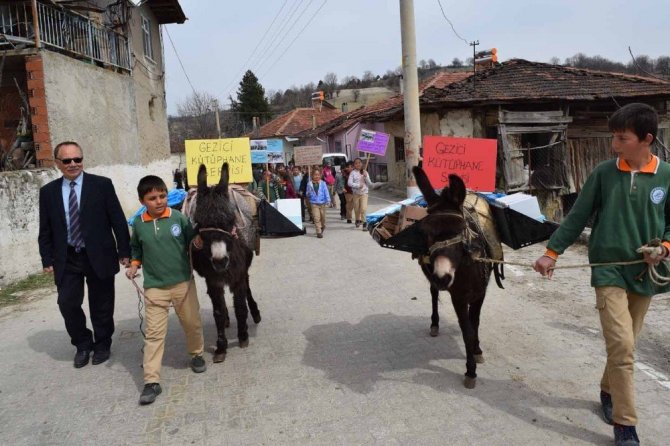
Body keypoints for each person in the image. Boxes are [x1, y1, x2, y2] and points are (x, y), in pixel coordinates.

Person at [533, 103, 668, 446]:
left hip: (645, 271)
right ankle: (625, 425)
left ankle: (608, 389)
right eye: (614, 137)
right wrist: (552, 252)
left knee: (628, 342)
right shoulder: (604, 173)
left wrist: (665, 248)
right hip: (607, 269)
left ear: (646, 139)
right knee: (622, 344)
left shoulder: (667, 176)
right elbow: (577, 216)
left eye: (622, 138)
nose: (614, 145)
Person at [38, 141, 130, 368]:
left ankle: (103, 343)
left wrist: (124, 250)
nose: (73, 164)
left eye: (77, 159)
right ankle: (82, 343)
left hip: (99, 254)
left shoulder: (102, 185)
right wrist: (46, 257)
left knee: (102, 303)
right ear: (57, 163)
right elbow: (45, 228)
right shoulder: (48, 192)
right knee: (67, 303)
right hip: (67, 256)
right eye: (67, 160)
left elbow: (117, 220)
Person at [126, 175, 206, 405]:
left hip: (183, 283)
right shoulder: (138, 224)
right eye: (152, 198)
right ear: (142, 201)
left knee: (192, 323)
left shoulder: (179, 218)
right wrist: (134, 266)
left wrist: (199, 241)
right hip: (154, 288)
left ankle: (197, 354)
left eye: (162, 196)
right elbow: (136, 250)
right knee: (153, 334)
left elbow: (193, 240)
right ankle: (151, 381)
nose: (159, 201)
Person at [347, 157, 373, 230]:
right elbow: (349, 183)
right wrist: (358, 185)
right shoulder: (352, 173)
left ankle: (364, 223)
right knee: (356, 209)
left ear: (362, 164)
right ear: (354, 165)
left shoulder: (365, 172)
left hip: (364, 193)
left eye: (359, 163)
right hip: (356, 194)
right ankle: (357, 220)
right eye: (356, 163)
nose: (358, 164)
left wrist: (366, 177)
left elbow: (370, 184)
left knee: (363, 209)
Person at [306, 168, 331, 238]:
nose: (316, 176)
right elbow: (307, 193)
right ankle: (318, 232)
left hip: (322, 203)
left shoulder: (323, 183)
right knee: (316, 218)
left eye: (318, 175)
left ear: (320, 175)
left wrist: (328, 200)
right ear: (312, 175)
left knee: (323, 218)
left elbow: (326, 192)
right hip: (314, 203)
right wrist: (308, 192)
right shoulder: (309, 184)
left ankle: (322, 226)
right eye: (315, 175)